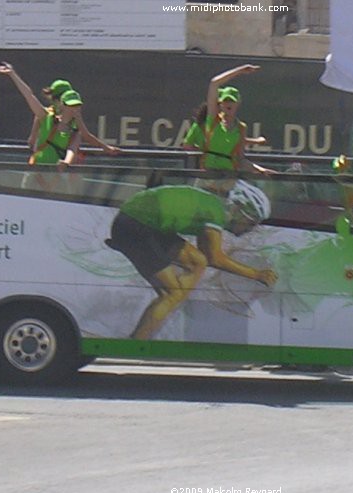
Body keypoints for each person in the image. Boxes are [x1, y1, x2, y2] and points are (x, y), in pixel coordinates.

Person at [105, 181, 278, 340]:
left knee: (197, 261)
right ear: (240, 211)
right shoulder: (215, 213)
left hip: (141, 221)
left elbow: (205, 257)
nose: (249, 230)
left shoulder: (213, 205)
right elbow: (215, 258)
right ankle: (137, 342)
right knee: (171, 294)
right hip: (135, 227)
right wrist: (256, 274)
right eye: (251, 223)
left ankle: (174, 299)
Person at [198, 65, 274, 174]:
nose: (228, 104)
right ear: (220, 104)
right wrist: (240, 71)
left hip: (228, 178)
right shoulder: (214, 120)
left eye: (232, 101)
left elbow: (240, 159)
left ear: (238, 104)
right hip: (207, 175)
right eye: (225, 101)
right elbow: (214, 83)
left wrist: (261, 170)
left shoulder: (241, 128)